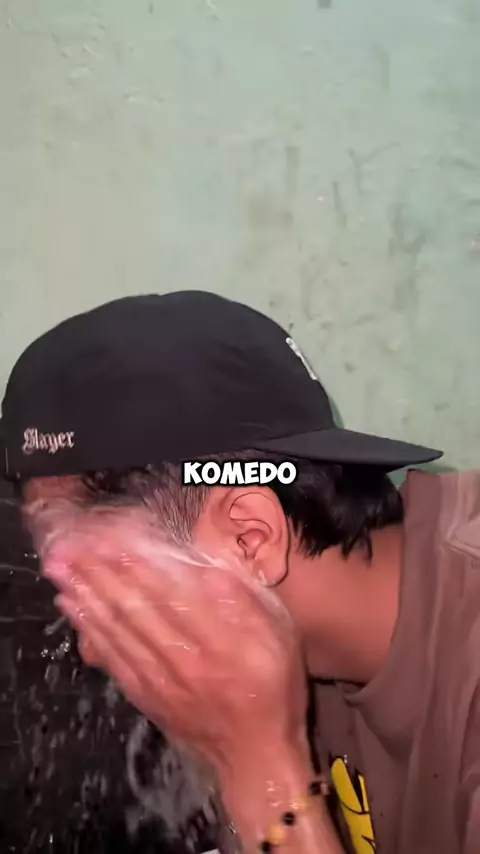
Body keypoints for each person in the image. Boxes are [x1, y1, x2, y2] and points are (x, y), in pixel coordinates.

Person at [1, 290, 478, 854]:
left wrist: (262, 768)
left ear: (250, 538)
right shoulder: (282, 653)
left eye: (106, 585)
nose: (92, 648)